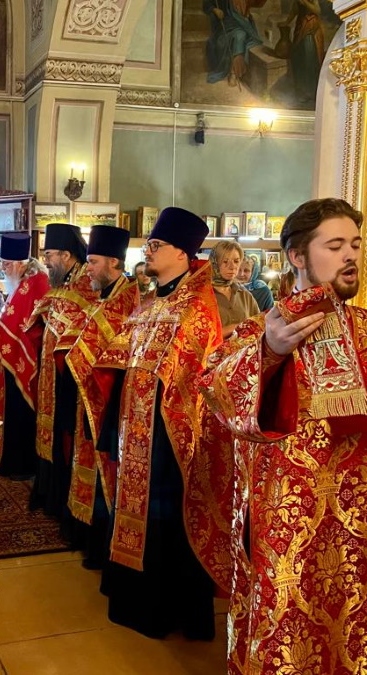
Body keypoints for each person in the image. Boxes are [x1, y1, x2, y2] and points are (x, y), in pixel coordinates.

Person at [200, 197, 367, 673]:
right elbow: (218, 396)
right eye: (335, 246)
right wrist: (270, 353)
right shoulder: (258, 332)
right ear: (297, 256)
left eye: (355, 244)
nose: (351, 256)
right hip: (294, 524)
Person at [96, 207, 230, 641]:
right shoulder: (153, 302)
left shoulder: (197, 309)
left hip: (169, 438)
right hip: (136, 431)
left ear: (182, 253)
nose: (148, 252)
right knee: (134, 509)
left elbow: (192, 379)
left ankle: (165, 611)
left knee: (167, 519)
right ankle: (133, 598)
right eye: (149, 245)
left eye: (156, 245)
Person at [65, 225, 139, 569]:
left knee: (105, 471)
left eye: (93, 262)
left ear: (114, 262)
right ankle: (87, 538)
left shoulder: (129, 301)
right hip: (88, 394)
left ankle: (102, 546)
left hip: (110, 401)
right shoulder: (103, 297)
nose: (88, 269)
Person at [28, 223, 97, 519]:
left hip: (70, 378)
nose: (45, 261)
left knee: (66, 435)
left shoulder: (86, 285)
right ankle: (49, 493)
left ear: (66, 255)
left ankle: (62, 497)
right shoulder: (63, 283)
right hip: (52, 374)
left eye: (49, 255)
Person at [0, 234, 49, 478]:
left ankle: (21, 465)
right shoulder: (21, 282)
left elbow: (35, 323)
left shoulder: (37, 281)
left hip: (26, 357)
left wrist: (15, 341)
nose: (3, 269)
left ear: (20, 263)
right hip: (11, 356)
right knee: (11, 410)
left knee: (21, 411)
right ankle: (7, 459)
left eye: (6, 264)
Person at [203, 0, 262, 88]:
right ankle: (233, 74)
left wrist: (245, 12)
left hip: (241, 23)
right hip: (226, 25)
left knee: (246, 37)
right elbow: (206, 4)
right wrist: (215, 10)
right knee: (240, 35)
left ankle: (235, 71)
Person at [210, 240, 260, 338]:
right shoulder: (201, 295)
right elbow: (197, 337)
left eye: (236, 261)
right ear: (215, 263)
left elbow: (258, 327)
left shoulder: (245, 294)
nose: (232, 267)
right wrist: (235, 328)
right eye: (225, 261)